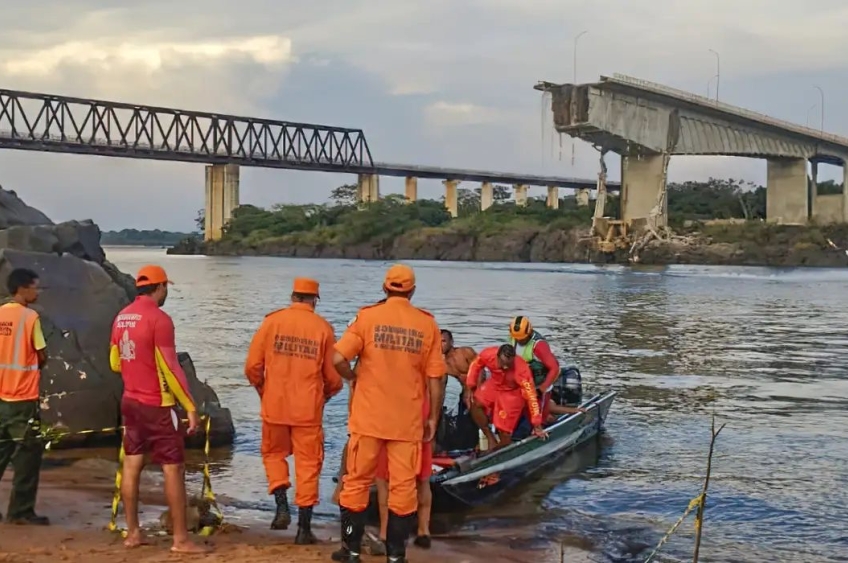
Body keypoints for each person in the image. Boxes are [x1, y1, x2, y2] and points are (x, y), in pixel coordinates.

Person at [333, 264, 446, 563]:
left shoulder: (367, 318)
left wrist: (353, 377)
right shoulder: (427, 325)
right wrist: (433, 417)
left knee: (356, 483)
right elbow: (436, 379)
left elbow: (336, 358)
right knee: (403, 488)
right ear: (412, 291)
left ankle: (351, 550)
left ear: (385, 288)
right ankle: (396, 556)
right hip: (406, 423)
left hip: (368, 420)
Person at [109, 265, 208, 554]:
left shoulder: (122, 316)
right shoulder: (159, 319)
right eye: (166, 287)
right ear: (160, 287)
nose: (167, 292)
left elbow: (114, 362)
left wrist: (135, 368)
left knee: (132, 464)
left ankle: (133, 533)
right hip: (158, 404)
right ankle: (181, 540)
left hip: (130, 401)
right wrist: (190, 407)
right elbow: (171, 366)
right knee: (173, 469)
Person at [244, 277, 343, 543]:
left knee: (273, 454)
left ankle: (281, 505)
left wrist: (265, 391)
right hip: (307, 410)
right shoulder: (323, 328)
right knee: (308, 465)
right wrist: (326, 395)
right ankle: (303, 530)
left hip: (274, 405)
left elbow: (252, 367)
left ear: (293, 296)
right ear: (315, 300)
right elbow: (333, 379)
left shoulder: (271, 322)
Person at [0, 268, 49, 526]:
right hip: (22, 396)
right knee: (29, 453)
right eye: (35, 287)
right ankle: (20, 511)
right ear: (23, 288)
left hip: (0, 396)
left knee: (1, 450)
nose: (38, 291)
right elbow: (40, 354)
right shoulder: (30, 317)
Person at [465, 344, 547, 451]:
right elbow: (476, 365)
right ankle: (490, 438)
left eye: (508, 365)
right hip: (495, 383)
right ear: (497, 356)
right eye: (502, 363)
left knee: (504, 430)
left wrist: (537, 424)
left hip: (512, 392)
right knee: (475, 402)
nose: (505, 367)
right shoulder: (488, 354)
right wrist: (470, 386)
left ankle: (499, 450)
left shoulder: (521, 370)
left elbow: (531, 397)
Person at [508, 316, 586, 422]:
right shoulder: (514, 338)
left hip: (540, 382)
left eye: (522, 339)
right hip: (524, 382)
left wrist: (542, 389)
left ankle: (567, 414)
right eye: (517, 338)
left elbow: (554, 368)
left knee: (542, 416)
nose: (519, 341)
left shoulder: (539, 345)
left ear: (529, 332)